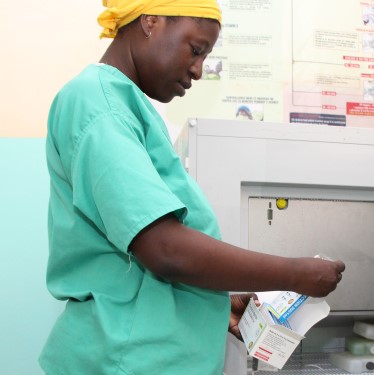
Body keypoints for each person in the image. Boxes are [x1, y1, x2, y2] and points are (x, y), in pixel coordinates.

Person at [39, 1, 346, 374]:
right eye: (196, 49)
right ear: (150, 21)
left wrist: (214, 302)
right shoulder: (98, 103)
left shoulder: (127, 107)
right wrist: (295, 274)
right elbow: (165, 249)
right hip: (126, 360)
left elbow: (143, 259)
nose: (199, 70)